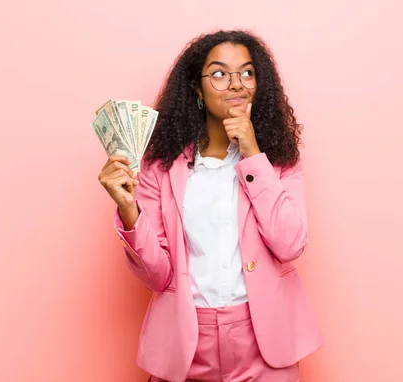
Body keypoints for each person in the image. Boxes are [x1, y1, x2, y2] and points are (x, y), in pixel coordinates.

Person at [98, 30, 323, 382]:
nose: (236, 84)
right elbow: (157, 276)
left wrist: (252, 153)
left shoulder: (278, 161)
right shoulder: (161, 166)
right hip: (185, 345)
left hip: (264, 345)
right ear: (197, 88)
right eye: (219, 74)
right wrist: (130, 211)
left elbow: (290, 243)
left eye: (247, 73)